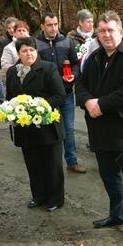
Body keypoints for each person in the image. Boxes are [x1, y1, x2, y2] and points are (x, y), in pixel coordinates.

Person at [75, 11, 123, 242]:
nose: (106, 35)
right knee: (108, 176)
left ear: (121, 32)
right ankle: (116, 214)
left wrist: (101, 105)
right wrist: (87, 101)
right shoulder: (94, 58)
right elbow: (81, 85)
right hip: (100, 129)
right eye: (102, 31)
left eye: (111, 30)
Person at [4, 37, 66, 211]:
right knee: (33, 164)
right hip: (25, 128)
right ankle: (38, 196)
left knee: (52, 165)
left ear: (36, 51)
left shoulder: (48, 68)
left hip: (47, 126)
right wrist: (9, 109)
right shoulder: (12, 72)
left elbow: (59, 96)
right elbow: (10, 96)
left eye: (31, 50)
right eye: (24, 51)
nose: (29, 53)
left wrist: (38, 106)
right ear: (18, 53)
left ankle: (55, 199)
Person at [36, 12, 85, 173]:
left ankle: (71, 161)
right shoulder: (35, 44)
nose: (53, 28)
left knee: (68, 129)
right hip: (46, 96)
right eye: (49, 25)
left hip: (66, 93)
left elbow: (76, 64)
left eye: (56, 24)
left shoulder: (67, 42)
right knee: (48, 128)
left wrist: (74, 75)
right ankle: (51, 163)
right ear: (42, 26)